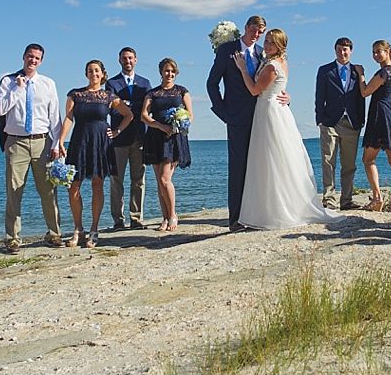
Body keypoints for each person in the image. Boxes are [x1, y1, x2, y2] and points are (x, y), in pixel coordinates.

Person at [234, 29, 338, 229]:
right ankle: (269, 208)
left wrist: (243, 69)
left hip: (269, 111)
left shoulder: (273, 65)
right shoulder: (278, 62)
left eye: (272, 43)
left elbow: (255, 90)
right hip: (273, 110)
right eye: (266, 41)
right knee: (275, 160)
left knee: (272, 159)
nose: (266, 45)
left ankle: (277, 211)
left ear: (280, 46)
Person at [208, 15, 280, 231]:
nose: (256, 35)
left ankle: (257, 215)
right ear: (246, 28)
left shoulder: (262, 54)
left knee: (260, 166)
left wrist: (285, 96)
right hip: (236, 118)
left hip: (262, 117)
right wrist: (224, 113)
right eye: (254, 30)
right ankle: (236, 219)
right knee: (238, 167)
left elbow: (272, 81)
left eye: (261, 32)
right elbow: (212, 84)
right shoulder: (227, 50)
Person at [0, 43, 63, 254]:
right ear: (23, 57)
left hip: (42, 141)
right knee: (14, 191)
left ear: (41, 61)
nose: (32, 60)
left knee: (48, 191)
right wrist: (18, 88)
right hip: (16, 142)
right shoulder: (8, 81)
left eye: (37, 58)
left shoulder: (48, 83)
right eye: (30, 56)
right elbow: (0, 109)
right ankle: (13, 238)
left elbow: (54, 116)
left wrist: (57, 143)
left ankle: (54, 233)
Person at [57, 60, 133, 248]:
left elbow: (128, 114)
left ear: (102, 74)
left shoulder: (109, 96)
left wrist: (117, 131)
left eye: (97, 70)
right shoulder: (75, 94)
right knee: (73, 185)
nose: (93, 73)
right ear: (86, 74)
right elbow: (68, 118)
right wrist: (60, 140)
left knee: (97, 185)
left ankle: (94, 230)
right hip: (79, 141)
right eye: (90, 71)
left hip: (100, 143)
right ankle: (78, 229)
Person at [355, 40, 391, 212]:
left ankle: (377, 198)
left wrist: (360, 75)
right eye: (373, 52)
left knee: (368, 159)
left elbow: (365, 92)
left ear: (388, 51)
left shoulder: (383, 73)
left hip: (380, 116)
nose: (376, 55)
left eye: (379, 51)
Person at [141, 58, 194, 231]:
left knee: (165, 179)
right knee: (159, 181)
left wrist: (179, 124)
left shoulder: (182, 92)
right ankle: (164, 217)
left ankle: (172, 215)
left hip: (174, 138)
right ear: (161, 72)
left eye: (172, 71)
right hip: (155, 137)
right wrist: (159, 125)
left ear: (176, 73)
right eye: (166, 71)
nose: (169, 74)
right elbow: (144, 115)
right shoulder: (152, 93)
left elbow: (190, 115)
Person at [314, 37, 366, 210]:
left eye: (345, 49)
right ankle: (329, 200)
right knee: (328, 162)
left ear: (350, 51)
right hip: (330, 122)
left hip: (352, 123)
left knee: (349, 164)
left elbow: (362, 97)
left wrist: (361, 121)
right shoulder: (324, 70)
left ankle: (347, 200)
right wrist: (319, 119)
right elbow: (319, 96)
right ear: (335, 50)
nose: (342, 53)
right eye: (339, 49)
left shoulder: (357, 71)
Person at [106, 47, 152, 231]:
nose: (128, 61)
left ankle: (136, 218)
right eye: (124, 58)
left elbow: (149, 106)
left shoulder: (144, 83)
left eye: (131, 58)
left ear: (136, 60)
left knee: (138, 180)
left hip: (140, 137)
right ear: (119, 60)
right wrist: (126, 105)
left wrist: (125, 104)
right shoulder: (111, 83)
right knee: (116, 180)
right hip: (118, 137)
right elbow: (111, 107)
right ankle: (118, 221)